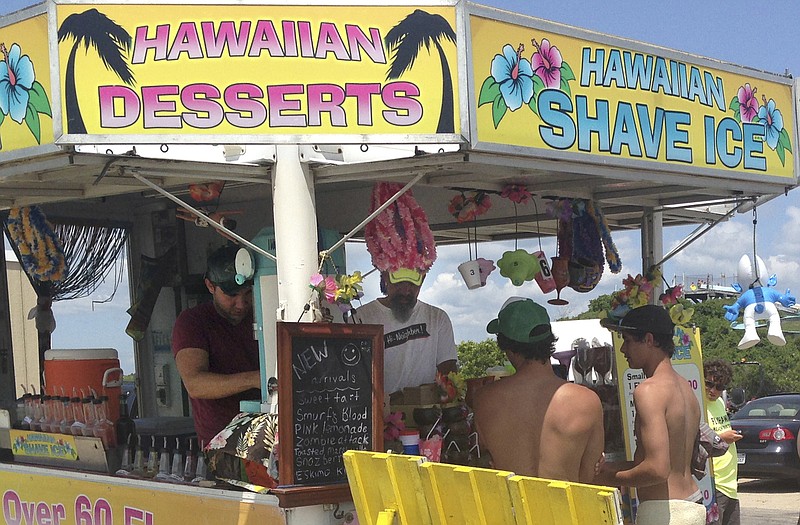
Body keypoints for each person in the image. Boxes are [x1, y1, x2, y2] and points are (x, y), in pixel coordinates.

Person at [472, 298, 604, 482]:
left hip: (512, 508)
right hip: (567, 507)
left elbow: (484, 456)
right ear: (548, 341)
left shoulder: (484, 399)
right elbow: (589, 475)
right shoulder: (587, 400)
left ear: (507, 346)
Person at [597, 304, 705, 525]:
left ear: (648, 339)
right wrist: (611, 467)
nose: (623, 350)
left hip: (665, 512)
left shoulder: (649, 390)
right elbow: (664, 462)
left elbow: (657, 469)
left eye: (627, 340)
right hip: (691, 503)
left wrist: (609, 477)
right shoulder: (685, 388)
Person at [172, 244, 261, 446]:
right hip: (222, 445)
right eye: (231, 295)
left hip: (267, 438)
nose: (241, 304)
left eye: (247, 294)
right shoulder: (192, 322)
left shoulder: (263, 314)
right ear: (210, 286)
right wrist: (256, 379)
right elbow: (195, 384)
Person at [353, 267, 458, 396]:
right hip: (379, 412)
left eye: (412, 284)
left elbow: (448, 370)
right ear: (385, 277)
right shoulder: (361, 317)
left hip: (427, 410)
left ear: (423, 280)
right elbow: (354, 374)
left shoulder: (437, 318)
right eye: (399, 283)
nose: (405, 291)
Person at [704, 359, 742, 525]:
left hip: (730, 484)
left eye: (719, 387)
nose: (713, 391)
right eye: (709, 384)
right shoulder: (698, 403)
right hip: (714, 483)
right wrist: (722, 439)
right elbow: (696, 441)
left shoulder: (719, 402)